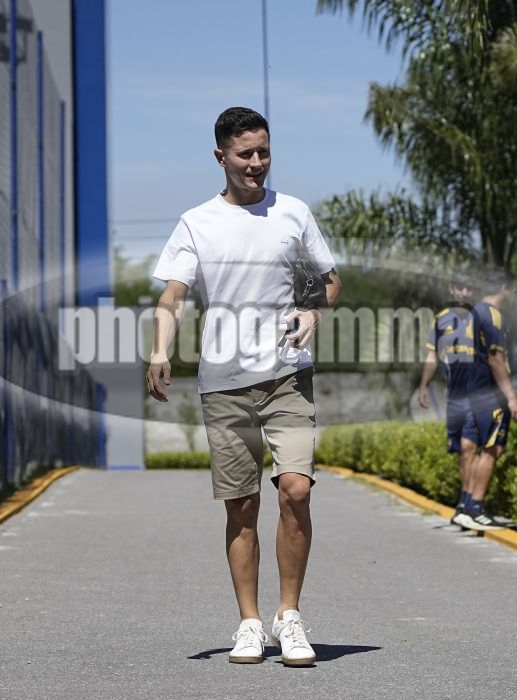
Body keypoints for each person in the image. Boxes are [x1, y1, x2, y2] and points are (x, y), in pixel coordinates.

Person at [146, 106, 342, 666]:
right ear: (221, 156)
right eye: (245, 154)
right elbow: (173, 294)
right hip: (225, 385)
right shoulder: (196, 222)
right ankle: (250, 622)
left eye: (264, 152)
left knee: (296, 489)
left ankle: (290, 616)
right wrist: (159, 349)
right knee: (242, 505)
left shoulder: (293, 212)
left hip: (288, 374)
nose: (257, 163)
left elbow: (330, 281)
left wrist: (314, 311)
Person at [457, 269, 517, 531]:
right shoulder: (492, 315)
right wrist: (511, 396)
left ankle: (466, 506)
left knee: (477, 447)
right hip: (490, 393)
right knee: (493, 449)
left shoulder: (473, 313)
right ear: (504, 288)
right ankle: (475, 508)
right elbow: (495, 358)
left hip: (473, 391)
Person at [418, 273, 478, 527]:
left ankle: (471, 503)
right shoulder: (442, 319)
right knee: (461, 450)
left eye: (468, 288)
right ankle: (465, 500)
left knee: (470, 446)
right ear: (453, 290)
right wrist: (424, 384)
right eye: (459, 288)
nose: (463, 292)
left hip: (479, 393)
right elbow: (433, 355)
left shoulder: (482, 316)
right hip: (455, 394)